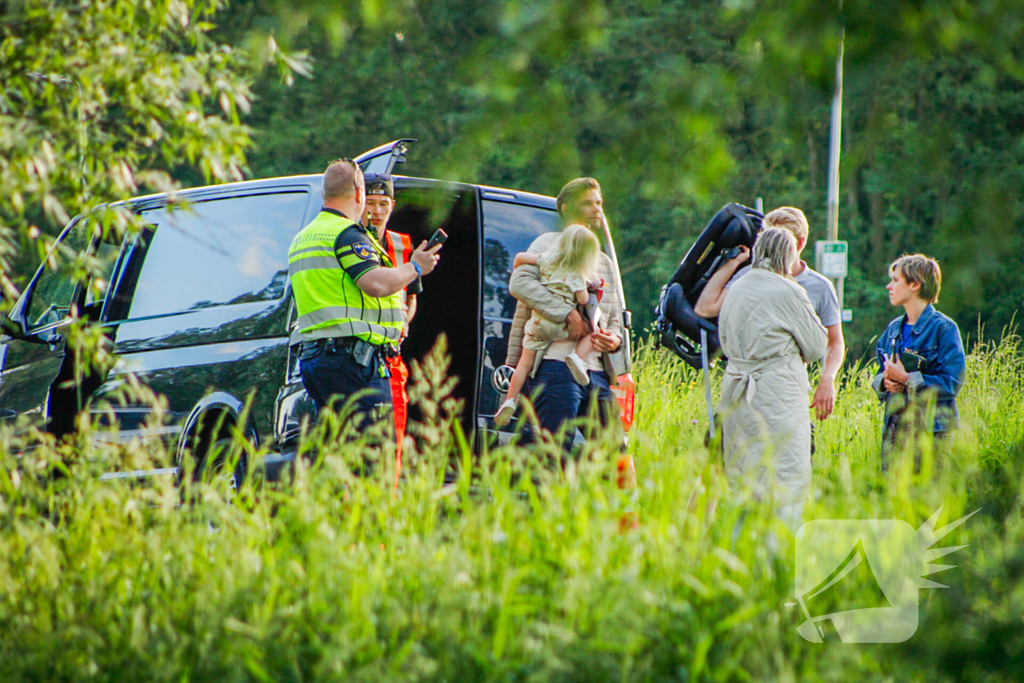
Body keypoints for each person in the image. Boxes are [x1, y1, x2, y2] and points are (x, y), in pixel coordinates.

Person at [287, 159, 440, 435]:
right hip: (351, 361)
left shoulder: (303, 237)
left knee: (340, 451)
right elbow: (376, 284)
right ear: (359, 193)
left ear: (324, 194)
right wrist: (415, 267)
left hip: (315, 359)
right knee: (374, 454)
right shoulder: (347, 233)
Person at [717, 228, 828, 530]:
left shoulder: (737, 287)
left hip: (737, 393)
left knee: (743, 478)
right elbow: (818, 345)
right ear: (788, 256)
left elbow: (723, 339)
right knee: (785, 478)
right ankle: (781, 561)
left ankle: (741, 558)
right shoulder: (789, 291)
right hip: (777, 393)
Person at [506, 177, 624, 454]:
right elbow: (519, 284)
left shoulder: (603, 260)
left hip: (598, 372)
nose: (597, 209)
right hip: (557, 367)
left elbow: (615, 317)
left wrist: (614, 340)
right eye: (587, 203)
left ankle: (622, 499)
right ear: (565, 208)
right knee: (553, 450)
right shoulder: (548, 243)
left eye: (599, 203)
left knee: (614, 452)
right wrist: (568, 313)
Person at [695, 207, 844, 421]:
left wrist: (827, 379)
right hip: (743, 391)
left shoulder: (819, 287)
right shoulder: (747, 276)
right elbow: (705, 308)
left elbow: (835, 342)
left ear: (799, 243)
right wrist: (733, 263)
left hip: (786, 391)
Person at [495, 224, 602, 427]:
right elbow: (582, 299)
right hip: (561, 329)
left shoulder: (546, 260)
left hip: (537, 324)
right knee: (590, 332)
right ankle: (577, 358)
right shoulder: (578, 274)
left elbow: (518, 259)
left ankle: (510, 399)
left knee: (524, 364)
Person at [871, 254, 965, 471]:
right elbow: (878, 376)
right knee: (895, 501)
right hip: (895, 432)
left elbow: (952, 383)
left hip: (934, 434)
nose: (888, 286)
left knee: (930, 501)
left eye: (895, 280)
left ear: (914, 284)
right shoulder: (892, 330)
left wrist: (906, 379)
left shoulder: (944, 329)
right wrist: (886, 383)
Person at [360, 172, 421, 479]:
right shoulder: (351, 238)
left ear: (392, 205)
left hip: (390, 353)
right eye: (370, 203)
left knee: (392, 438)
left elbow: (410, 297)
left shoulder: (401, 244)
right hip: (356, 347)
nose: (377, 211)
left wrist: (404, 322)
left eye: (383, 203)